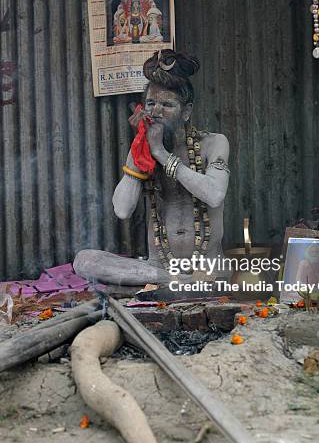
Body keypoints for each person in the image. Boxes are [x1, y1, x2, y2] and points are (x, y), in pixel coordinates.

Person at [74, 50, 230, 288]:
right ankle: (178, 281)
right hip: (160, 268)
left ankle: (184, 280)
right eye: (150, 103)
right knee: (84, 260)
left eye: (167, 105)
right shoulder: (143, 148)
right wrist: (141, 148)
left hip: (207, 268)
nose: (156, 111)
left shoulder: (214, 143)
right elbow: (122, 210)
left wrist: (161, 154)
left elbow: (215, 194)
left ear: (186, 112)